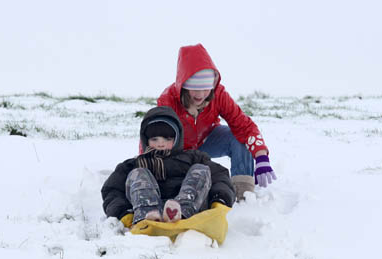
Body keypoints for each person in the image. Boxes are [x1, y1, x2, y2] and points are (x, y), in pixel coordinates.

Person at [157, 43, 276, 200]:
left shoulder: (219, 95)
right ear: (184, 85)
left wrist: (261, 157)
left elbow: (244, 126)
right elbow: (154, 138)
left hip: (207, 138)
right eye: (195, 88)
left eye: (206, 88)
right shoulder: (168, 100)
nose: (201, 95)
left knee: (237, 136)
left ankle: (242, 192)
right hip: (179, 150)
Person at [102, 106, 235, 225]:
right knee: (137, 173)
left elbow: (220, 176)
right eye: (154, 139)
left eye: (167, 139)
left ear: (177, 138)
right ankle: (147, 216)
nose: (161, 144)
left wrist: (220, 200)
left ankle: (182, 212)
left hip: (190, 210)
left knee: (201, 169)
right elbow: (112, 189)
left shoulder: (193, 157)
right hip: (149, 212)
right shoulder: (134, 164)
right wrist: (123, 213)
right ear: (145, 140)